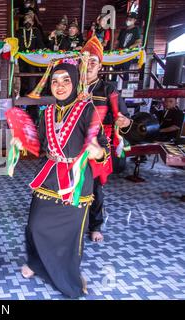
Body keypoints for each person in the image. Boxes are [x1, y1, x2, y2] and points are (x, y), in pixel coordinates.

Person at [18, 59, 110, 298]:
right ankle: (38, 264)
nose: (59, 86)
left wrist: (98, 152)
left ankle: (67, 273)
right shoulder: (46, 112)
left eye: (65, 80)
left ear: (75, 82)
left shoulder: (87, 109)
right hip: (49, 176)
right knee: (36, 225)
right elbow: (40, 145)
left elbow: (103, 146)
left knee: (69, 234)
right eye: (55, 81)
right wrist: (23, 143)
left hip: (76, 179)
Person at [81, 36, 132, 242]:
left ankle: (95, 225)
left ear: (100, 65)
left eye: (93, 61)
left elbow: (125, 118)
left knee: (94, 188)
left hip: (98, 145)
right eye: (85, 60)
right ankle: (72, 223)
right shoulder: (73, 85)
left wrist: (124, 122)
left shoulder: (107, 89)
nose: (89, 64)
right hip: (74, 143)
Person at [114, 12, 142, 84]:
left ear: (134, 20)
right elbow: (117, 42)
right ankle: (112, 88)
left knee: (125, 70)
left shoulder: (136, 30)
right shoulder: (123, 30)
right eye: (128, 18)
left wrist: (129, 47)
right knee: (115, 71)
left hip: (128, 54)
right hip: (119, 53)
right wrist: (114, 50)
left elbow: (138, 41)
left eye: (130, 18)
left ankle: (125, 90)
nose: (128, 20)